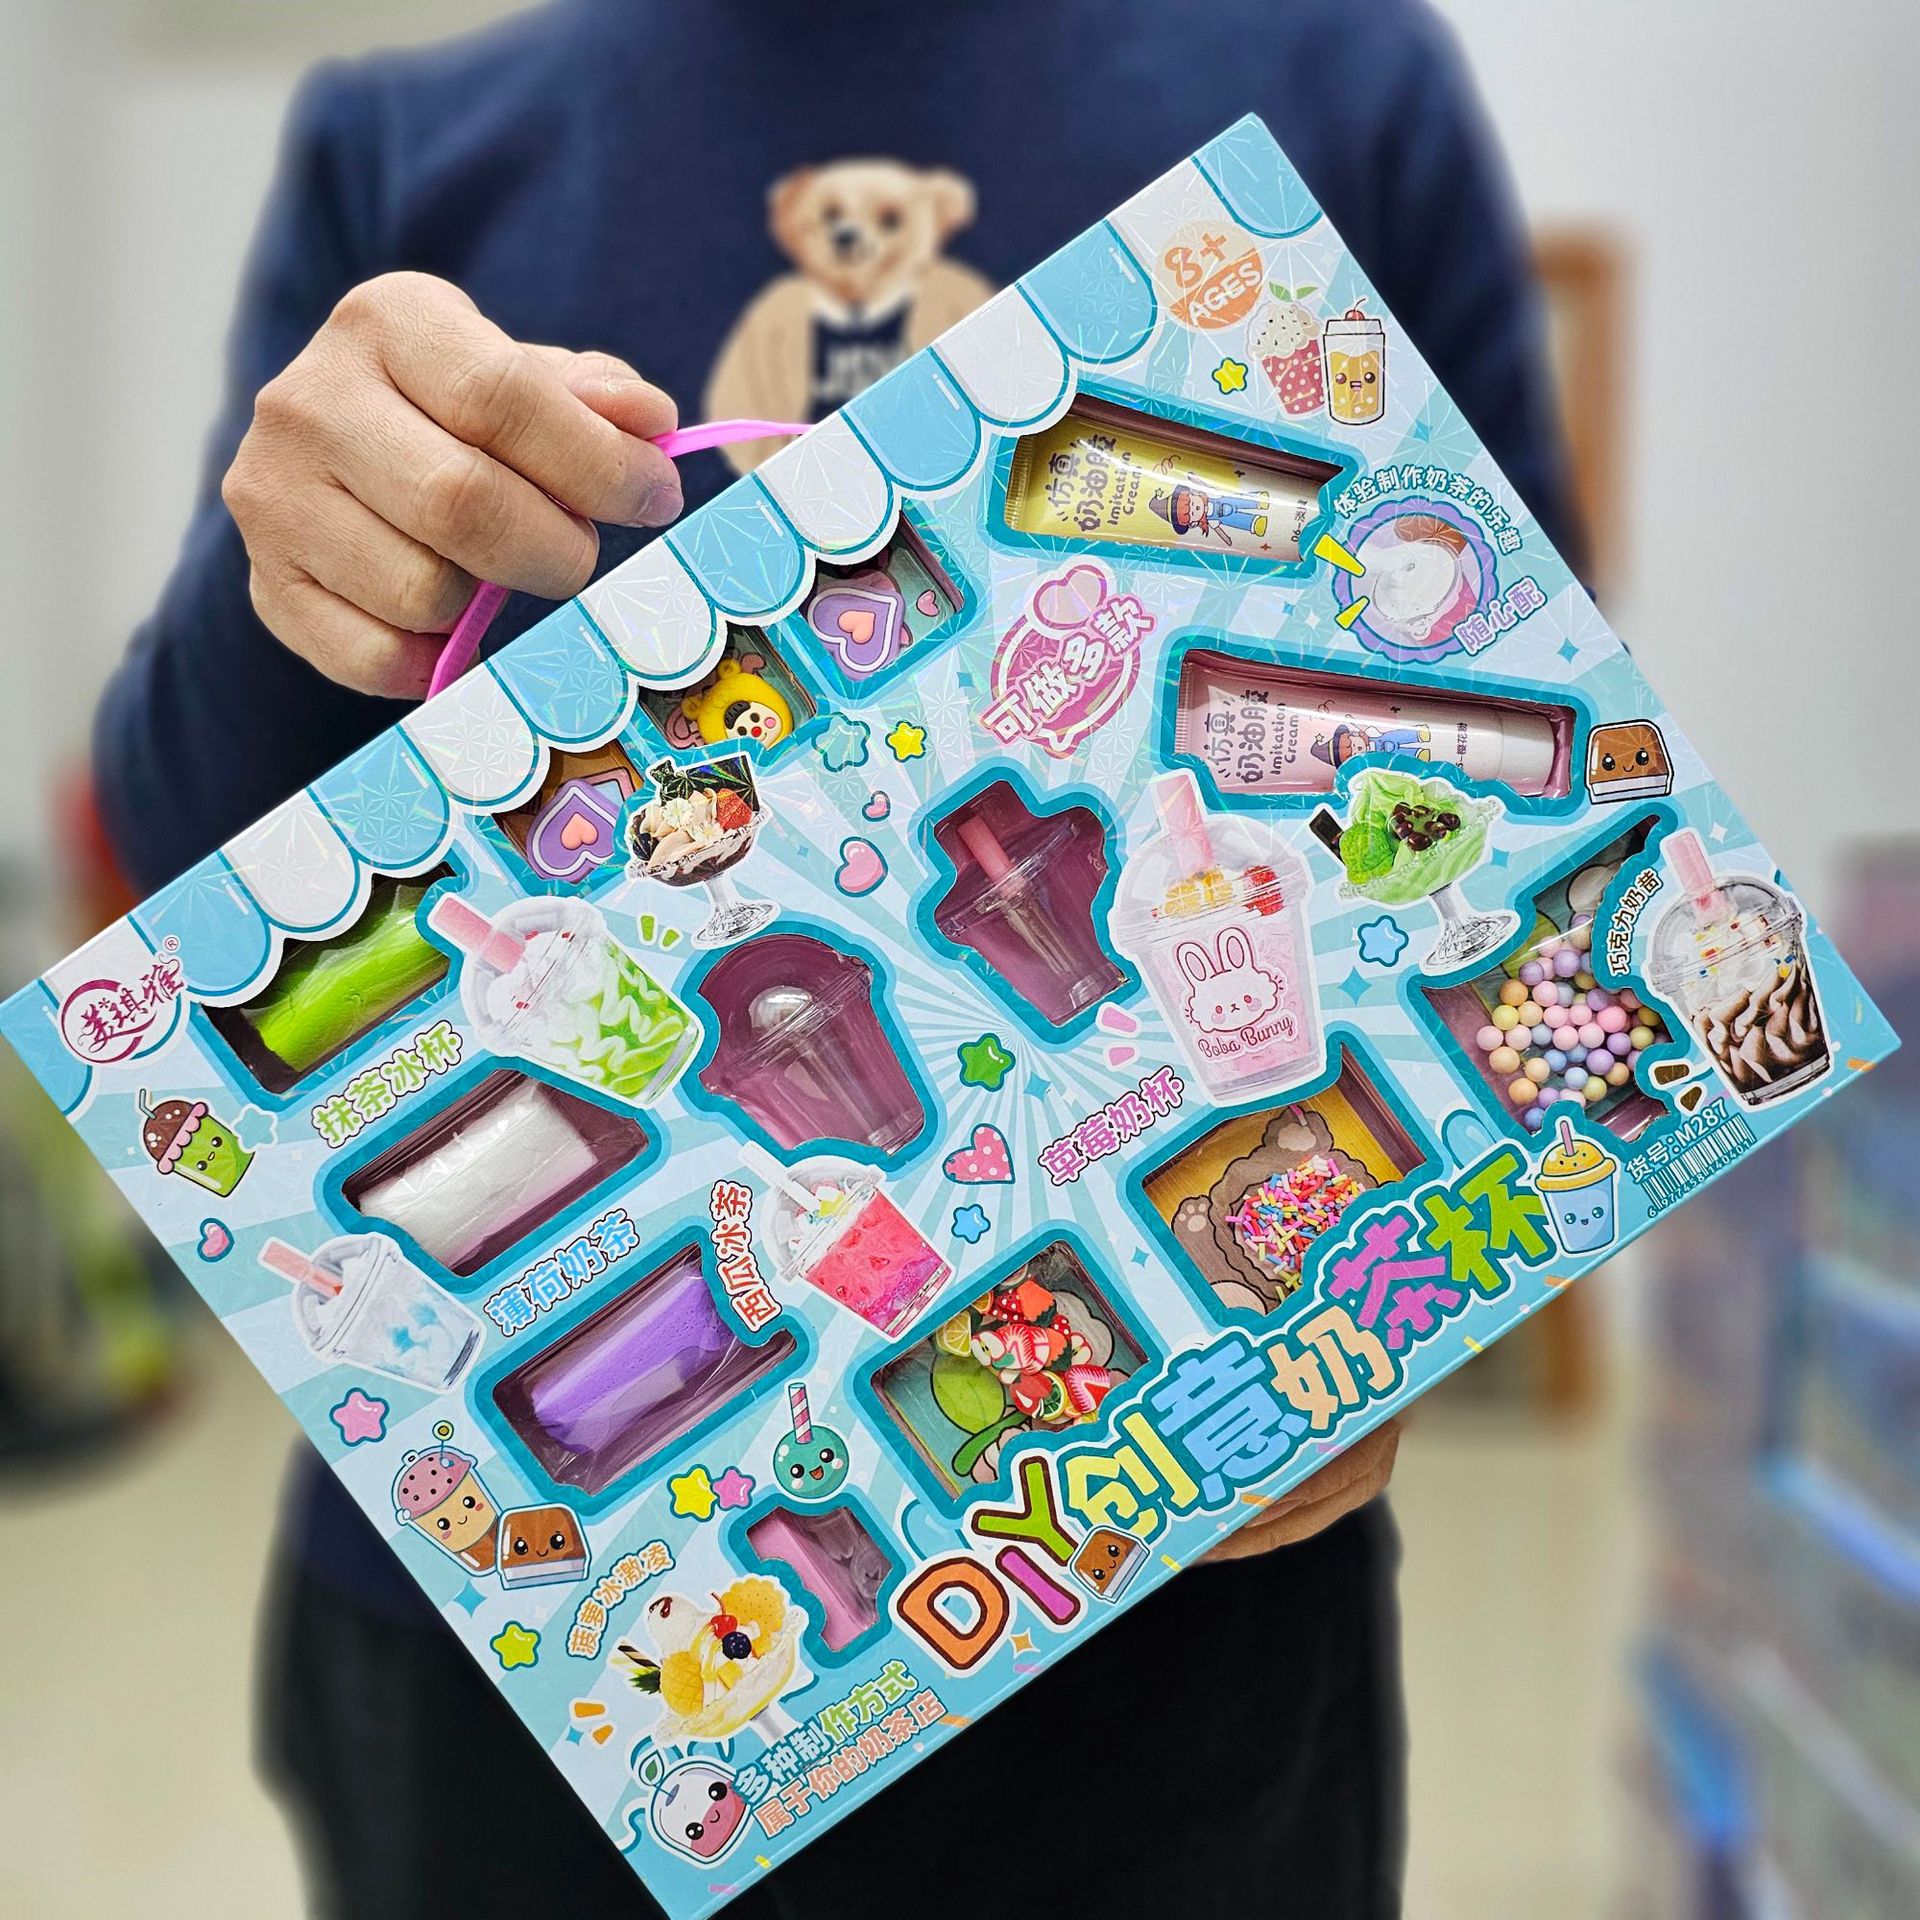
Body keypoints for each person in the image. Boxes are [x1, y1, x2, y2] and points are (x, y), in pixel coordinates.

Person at [95, 3, 1574, 1913]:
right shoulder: (413, 140)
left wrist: (1403, 1269)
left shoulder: (1336, 74)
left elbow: (1519, 776)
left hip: (1169, 1614)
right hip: (553, 1636)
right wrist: (283, 582)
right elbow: (190, 880)